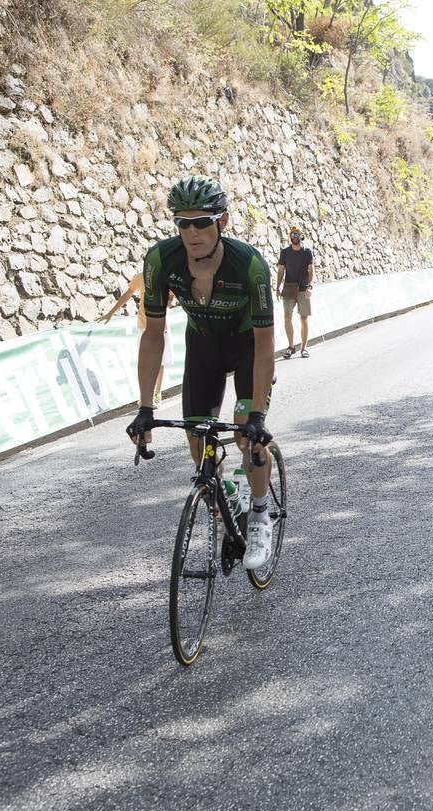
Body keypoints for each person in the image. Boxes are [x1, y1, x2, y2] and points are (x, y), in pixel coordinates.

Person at [126, 175, 278, 571]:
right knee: (198, 442)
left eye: (202, 222)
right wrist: (146, 407)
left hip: (247, 347)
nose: (191, 232)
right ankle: (227, 494)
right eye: (182, 223)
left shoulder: (250, 265)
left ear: (222, 222)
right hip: (204, 348)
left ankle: (260, 515)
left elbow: (264, 345)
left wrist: (257, 416)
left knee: (248, 435)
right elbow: (153, 336)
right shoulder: (161, 260)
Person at [101, 272, 172, 407]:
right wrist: (111, 312)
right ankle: (146, 396)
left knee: (160, 361)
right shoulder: (140, 277)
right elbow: (128, 294)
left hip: (161, 326)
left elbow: (172, 298)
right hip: (143, 326)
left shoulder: (166, 277)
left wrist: (165, 303)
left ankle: (157, 393)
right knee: (145, 362)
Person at [277, 225, 314, 359]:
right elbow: (281, 270)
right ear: (290, 237)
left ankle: (304, 348)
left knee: (303, 318)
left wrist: (310, 286)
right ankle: (291, 347)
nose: (294, 237)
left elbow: (311, 270)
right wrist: (277, 287)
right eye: (292, 235)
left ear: (301, 236)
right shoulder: (285, 252)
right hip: (288, 288)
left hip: (303, 289)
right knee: (287, 316)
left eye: (297, 234)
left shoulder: (307, 252)